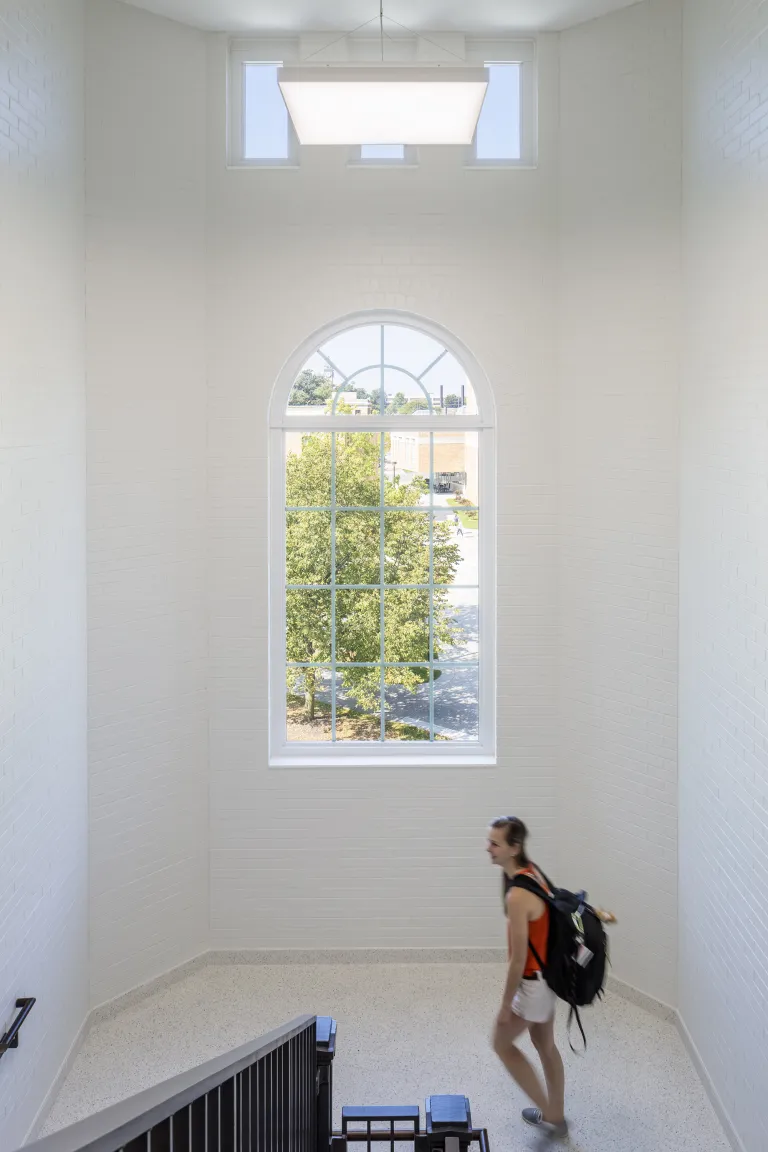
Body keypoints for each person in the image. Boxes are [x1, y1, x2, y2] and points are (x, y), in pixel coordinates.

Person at [487, 816, 568, 1141]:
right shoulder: (532, 873)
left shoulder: (518, 896)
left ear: (514, 847)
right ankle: (557, 1117)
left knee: (501, 1043)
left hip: (533, 985)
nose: (488, 848)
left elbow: (518, 960)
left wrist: (506, 1006)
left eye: (495, 843)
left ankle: (551, 1116)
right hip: (547, 980)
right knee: (545, 1044)